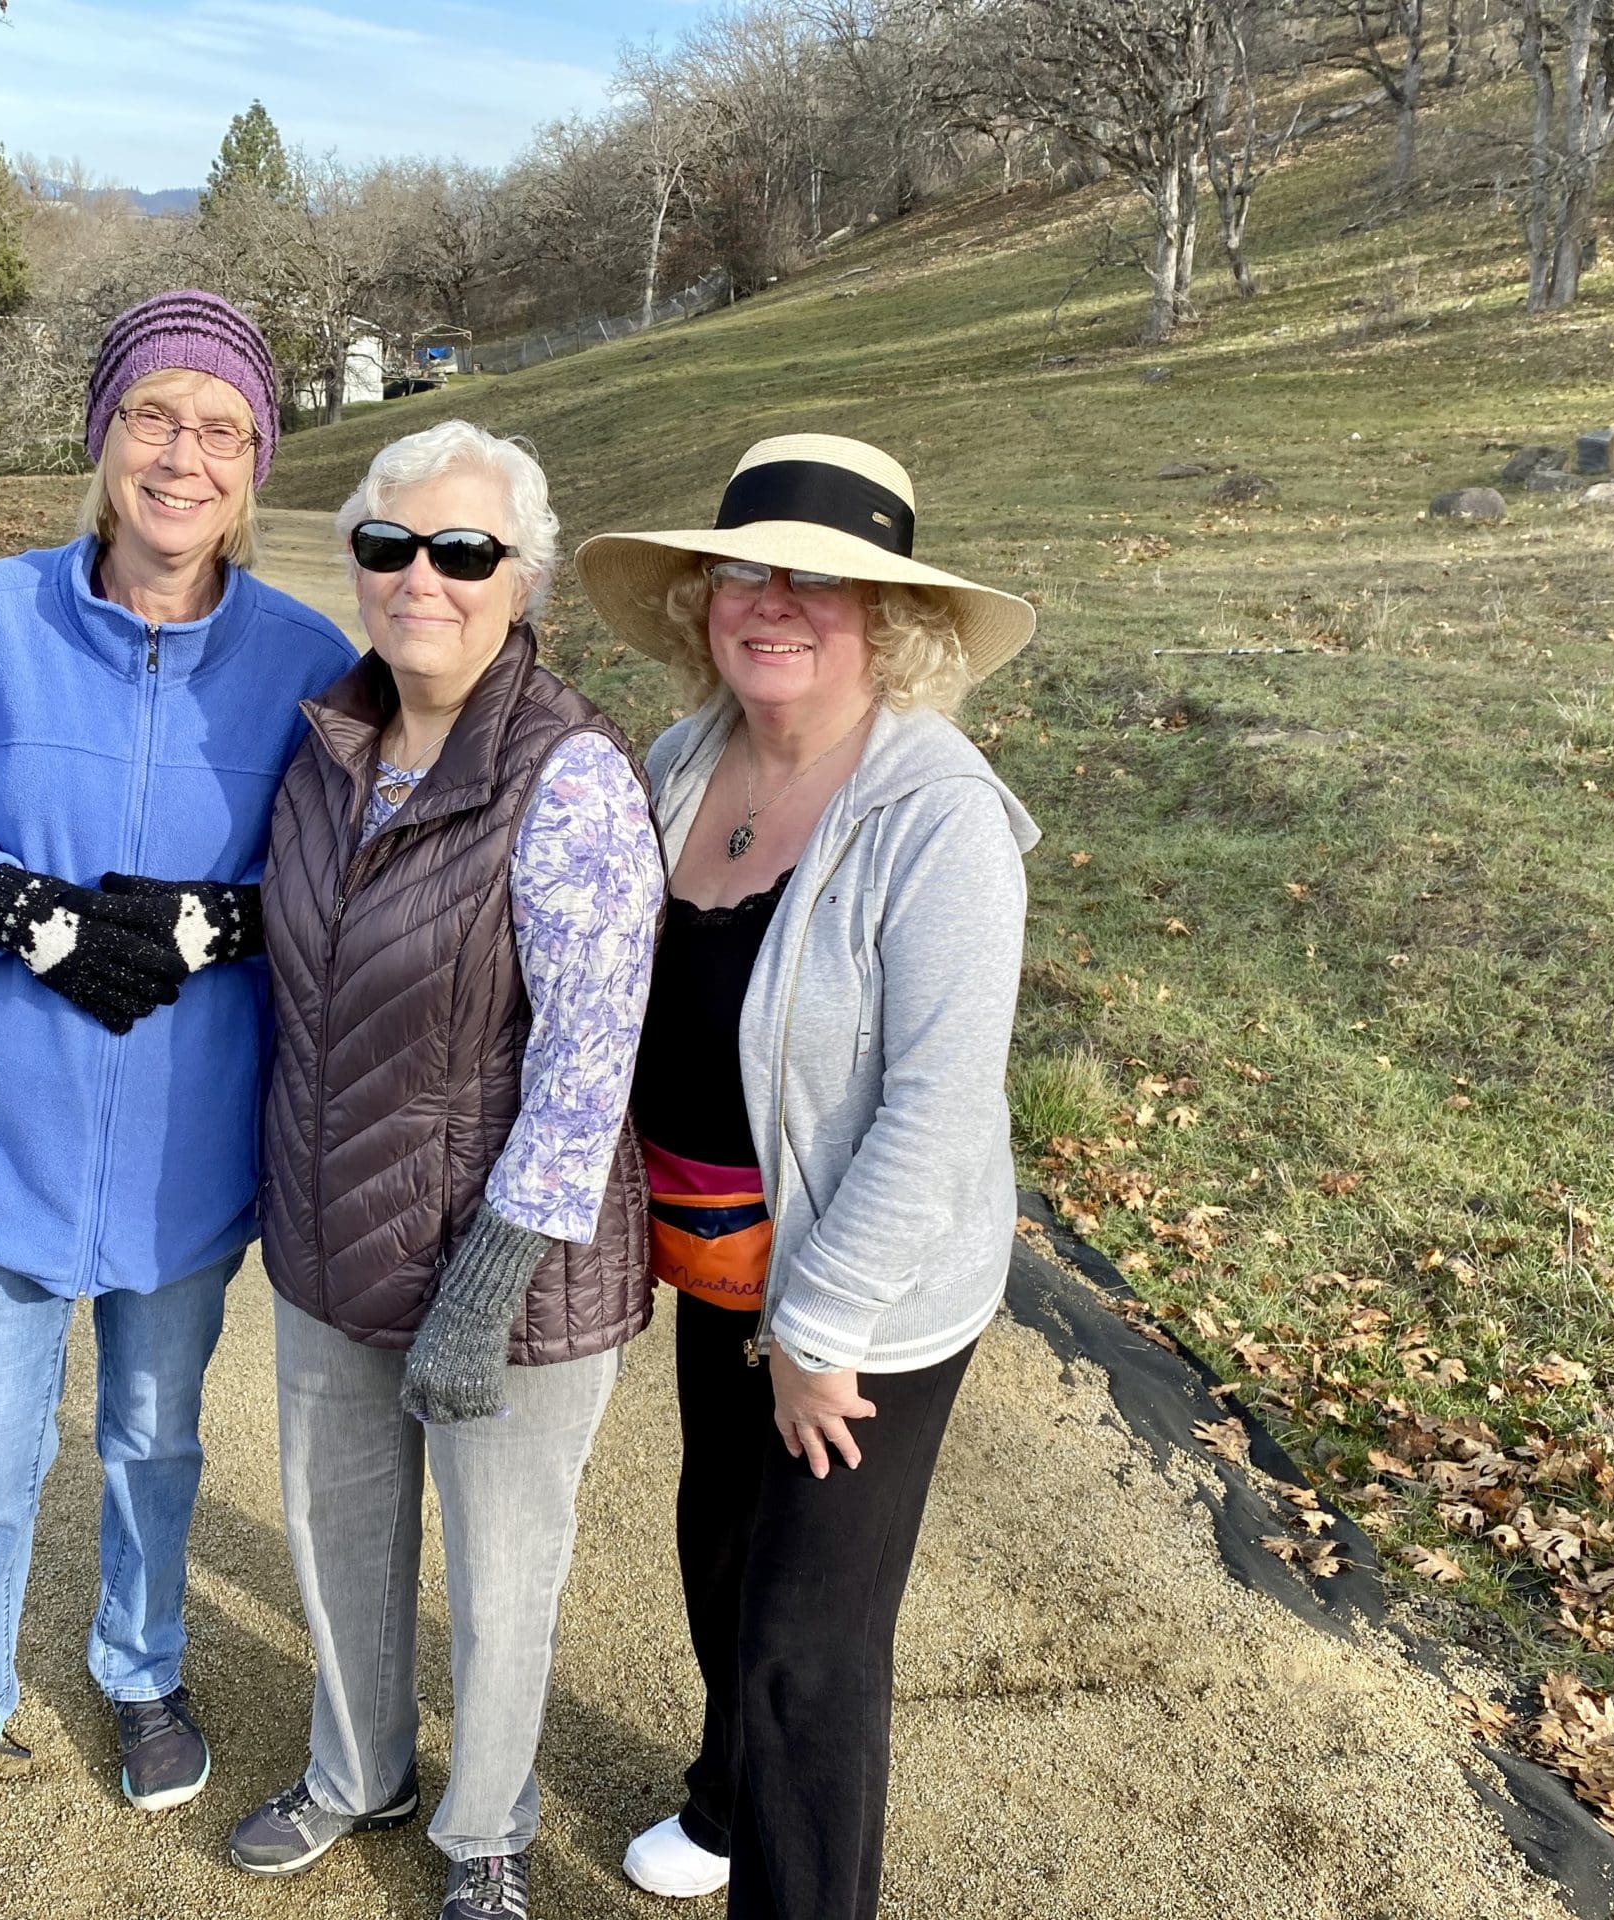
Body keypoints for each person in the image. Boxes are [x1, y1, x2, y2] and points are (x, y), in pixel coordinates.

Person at [0, 291, 357, 1854]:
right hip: (1, 1146)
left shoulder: (307, 663)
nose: (182, 457)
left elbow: (351, 889)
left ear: (255, 464)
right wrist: (16, 907)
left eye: (221, 429)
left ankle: (143, 1670)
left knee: (154, 1442)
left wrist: (225, 918)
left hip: (189, 1159)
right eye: (154, 417)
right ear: (104, 436)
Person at [574, 433, 1040, 1919]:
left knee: (806, 1647)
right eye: (745, 575)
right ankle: (724, 1803)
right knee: (719, 1552)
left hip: (862, 1298)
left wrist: (821, 1330)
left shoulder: (938, 817)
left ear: (887, 620)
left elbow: (941, 1105)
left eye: (817, 582)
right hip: (716, 1260)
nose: (772, 603)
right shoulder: (678, 765)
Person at [226, 420, 665, 1920]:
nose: (424, 577)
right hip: (334, 1236)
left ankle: (486, 1831)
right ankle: (358, 1772)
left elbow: (592, 1058)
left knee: (501, 1569)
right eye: (390, 545)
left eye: (465, 551)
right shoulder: (327, 748)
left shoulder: (571, 775)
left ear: (520, 577)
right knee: (338, 1532)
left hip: (507, 1270)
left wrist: (491, 1276)